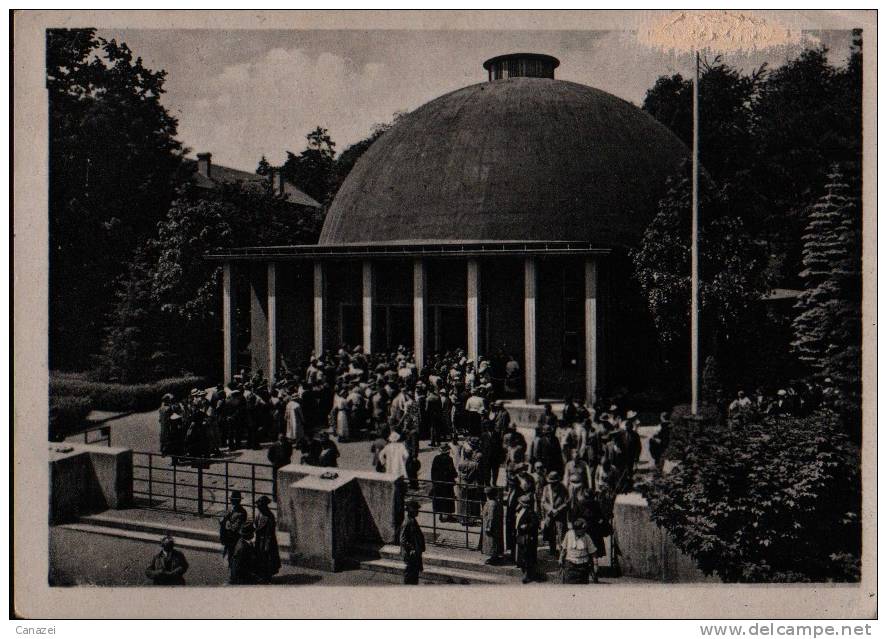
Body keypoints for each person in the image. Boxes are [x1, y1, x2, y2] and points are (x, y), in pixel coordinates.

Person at [559, 518, 599, 584]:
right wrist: (560, 558)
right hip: (570, 565)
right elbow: (564, 548)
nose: (584, 531)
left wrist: (595, 564)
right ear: (576, 530)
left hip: (583, 567)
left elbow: (593, 552)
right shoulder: (568, 534)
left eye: (584, 529)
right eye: (582, 530)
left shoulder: (587, 537)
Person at [253, 496, 281, 583]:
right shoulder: (259, 514)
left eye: (260, 506)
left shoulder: (269, 516)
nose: (258, 507)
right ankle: (262, 575)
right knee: (260, 558)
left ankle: (266, 577)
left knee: (267, 559)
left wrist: (267, 545)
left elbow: (269, 533)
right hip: (259, 539)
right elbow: (255, 524)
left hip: (266, 541)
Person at [541, 471, 569, 556]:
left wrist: (558, 510)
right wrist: (550, 509)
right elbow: (543, 502)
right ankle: (552, 550)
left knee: (561, 534)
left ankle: (562, 552)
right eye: (551, 482)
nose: (552, 484)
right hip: (550, 514)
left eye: (554, 482)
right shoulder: (546, 488)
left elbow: (567, 502)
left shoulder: (563, 488)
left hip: (560, 515)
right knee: (550, 532)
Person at [514, 493, 540, 583]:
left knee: (527, 556)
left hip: (527, 537)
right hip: (521, 536)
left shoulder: (530, 512)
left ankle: (527, 574)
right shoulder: (521, 510)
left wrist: (527, 526)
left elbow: (535, 523)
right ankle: (524, 571)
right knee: (522, 554)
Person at [400, 500, 426, 585]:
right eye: (416, 510)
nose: (418, 511)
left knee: (414, 574)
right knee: (410, 575)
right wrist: (411, 548)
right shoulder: (407, 522)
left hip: (415, 553)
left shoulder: (412, 520)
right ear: (411, 510)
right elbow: (402, 540)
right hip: (411, 554)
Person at [430, 443, 457, 522]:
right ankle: (449, 516)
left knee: (440, 499)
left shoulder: (436, 458)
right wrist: (455, 475)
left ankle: (441, 515)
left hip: (438, 483)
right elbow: (452, 471)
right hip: (447, 484)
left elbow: (433, 471)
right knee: (448, 499)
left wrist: (434, 482)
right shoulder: (449, 459)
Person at [219, 491, 247, 561]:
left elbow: (235, 528)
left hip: (234, 539)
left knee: (234, 559)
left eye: (232, 499)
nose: (231, 501)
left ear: (237, 501)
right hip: (227, 539)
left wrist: (226, 524)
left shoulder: (242, 512)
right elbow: (222, 519)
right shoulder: (230, 509)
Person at [481, 486, 504, 565]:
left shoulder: (491, 504)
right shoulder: (494, 502)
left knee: (492, 542)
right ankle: (495, 556)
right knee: (493, 541)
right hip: (495, 526)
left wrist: (489, 527)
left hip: (491, 526)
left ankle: (494, 557)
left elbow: (491, 516)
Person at [267, 433, 293, 501]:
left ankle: (285, 496)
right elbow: (270, 455)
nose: (282, 439)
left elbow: (290, 453)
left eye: (283, 438)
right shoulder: (274, 445)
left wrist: (286, 460)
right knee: (275, 481)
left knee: (285, 480)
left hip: (285, 465)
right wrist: (274, 462)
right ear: (278, 438)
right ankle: (275, 497)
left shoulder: (288, 445)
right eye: (281, 438)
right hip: (276, 466)